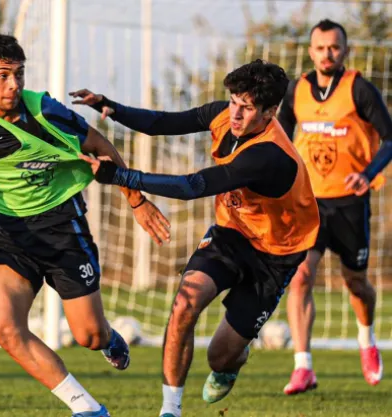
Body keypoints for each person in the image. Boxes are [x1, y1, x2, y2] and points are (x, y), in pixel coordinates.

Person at [0, 34, 171, 417]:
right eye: (3, 75)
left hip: (64, 228)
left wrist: (136, 200)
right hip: (10, 235)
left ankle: (107, 337)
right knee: (3, 328)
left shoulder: (46, 111)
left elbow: (101, 146)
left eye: (19, 74)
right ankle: (87, 409)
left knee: (89, 335)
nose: (13, 84)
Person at [71, 59, 319, 417]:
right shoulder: (224, 115)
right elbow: (162, 123)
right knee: (185, 304)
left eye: (247, 108)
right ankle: (170, 410)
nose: (236, 113)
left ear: (270, 112)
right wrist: (111, 107)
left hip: (275, 255)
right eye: (234, 101)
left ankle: (231, 363)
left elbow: (194, 186)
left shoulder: (269, 155)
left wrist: (120, 176)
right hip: (231, 233)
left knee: (219, 357)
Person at [277, 19, 392, 394]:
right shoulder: (296, 91)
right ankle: (303, 366)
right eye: (321, 47)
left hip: (350, 203)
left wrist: (368, 173)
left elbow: (390, 139)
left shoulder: (359, 88)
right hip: (308, 201)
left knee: (356, 283)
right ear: (310, 52)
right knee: (300, 276)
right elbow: (279, 138)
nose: (328, 53)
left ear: (345, 50)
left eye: (334, 47)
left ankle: (366, 338)